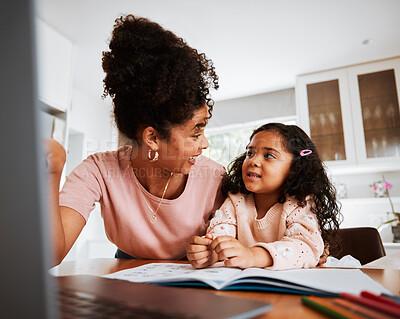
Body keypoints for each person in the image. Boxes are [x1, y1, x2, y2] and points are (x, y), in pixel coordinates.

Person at [46, 14, 224, 265]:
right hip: (125, 277)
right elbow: (51, 254)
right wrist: (51, 173)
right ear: (152, 137)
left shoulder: (216, 180)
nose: (205, 144)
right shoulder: (98, 171)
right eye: (196, 132)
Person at [187, 123, 341, 270]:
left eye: (269, 155)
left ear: (295, 168)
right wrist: (210, 253)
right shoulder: (235, 201)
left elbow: (305, 246)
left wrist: (252, 255)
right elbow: (220, 234)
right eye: (250, 153)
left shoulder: (300, 204)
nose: (253, 161)